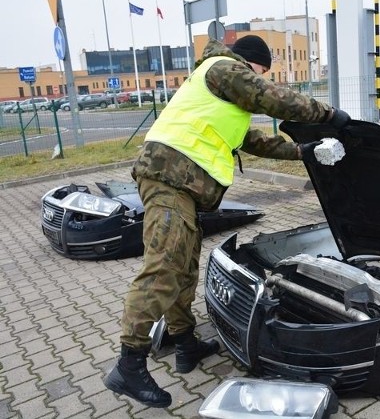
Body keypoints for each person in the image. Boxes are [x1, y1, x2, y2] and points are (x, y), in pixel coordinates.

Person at [103, 35, 350, 408]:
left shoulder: (222, 92)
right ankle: (128, 364)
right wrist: (329, 115)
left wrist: (304, 151)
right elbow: (275, 99)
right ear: (251, 64)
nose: (263, 79)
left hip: (180, 184)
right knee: (163, 268)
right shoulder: (223, 69)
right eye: (263, 72)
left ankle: (185, 343)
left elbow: (255, 142)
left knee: (183, 267)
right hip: (168, 178)